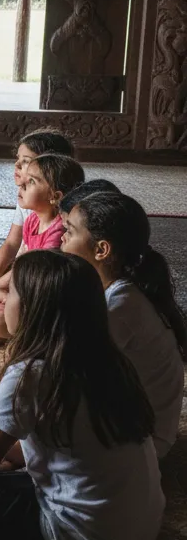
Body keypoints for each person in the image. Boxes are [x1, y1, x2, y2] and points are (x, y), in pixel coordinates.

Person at [0, 250, 164, 540]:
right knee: (6, 469)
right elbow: (50, 447)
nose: (3, 302)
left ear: (31, 310)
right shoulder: (110, 361)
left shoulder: (29, 373)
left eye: (10, 294)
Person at [61, 191, 185, 458]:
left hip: (143, 442)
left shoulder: (119, 308)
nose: (62, 238)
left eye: (69, 232)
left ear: (101, 249)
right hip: (132, 425)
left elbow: (68, 380)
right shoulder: (117, 291)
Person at [0, 153, 84, 346]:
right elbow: (19, 263)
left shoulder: (59, 233)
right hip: (22, 282)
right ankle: (3, 322)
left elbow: (30, 278)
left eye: (31, 182)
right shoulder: (32, 220)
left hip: (38, 295)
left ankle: (8, 332)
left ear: (54, 196)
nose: (21, 184)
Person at [0, 128, 74, 309]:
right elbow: (11, 243)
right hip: (19, 270)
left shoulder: (60, 223)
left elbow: (31, 270)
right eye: (18, 159)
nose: (17, 166)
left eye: (26, 162)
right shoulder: (27, 203)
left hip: (34, 279)